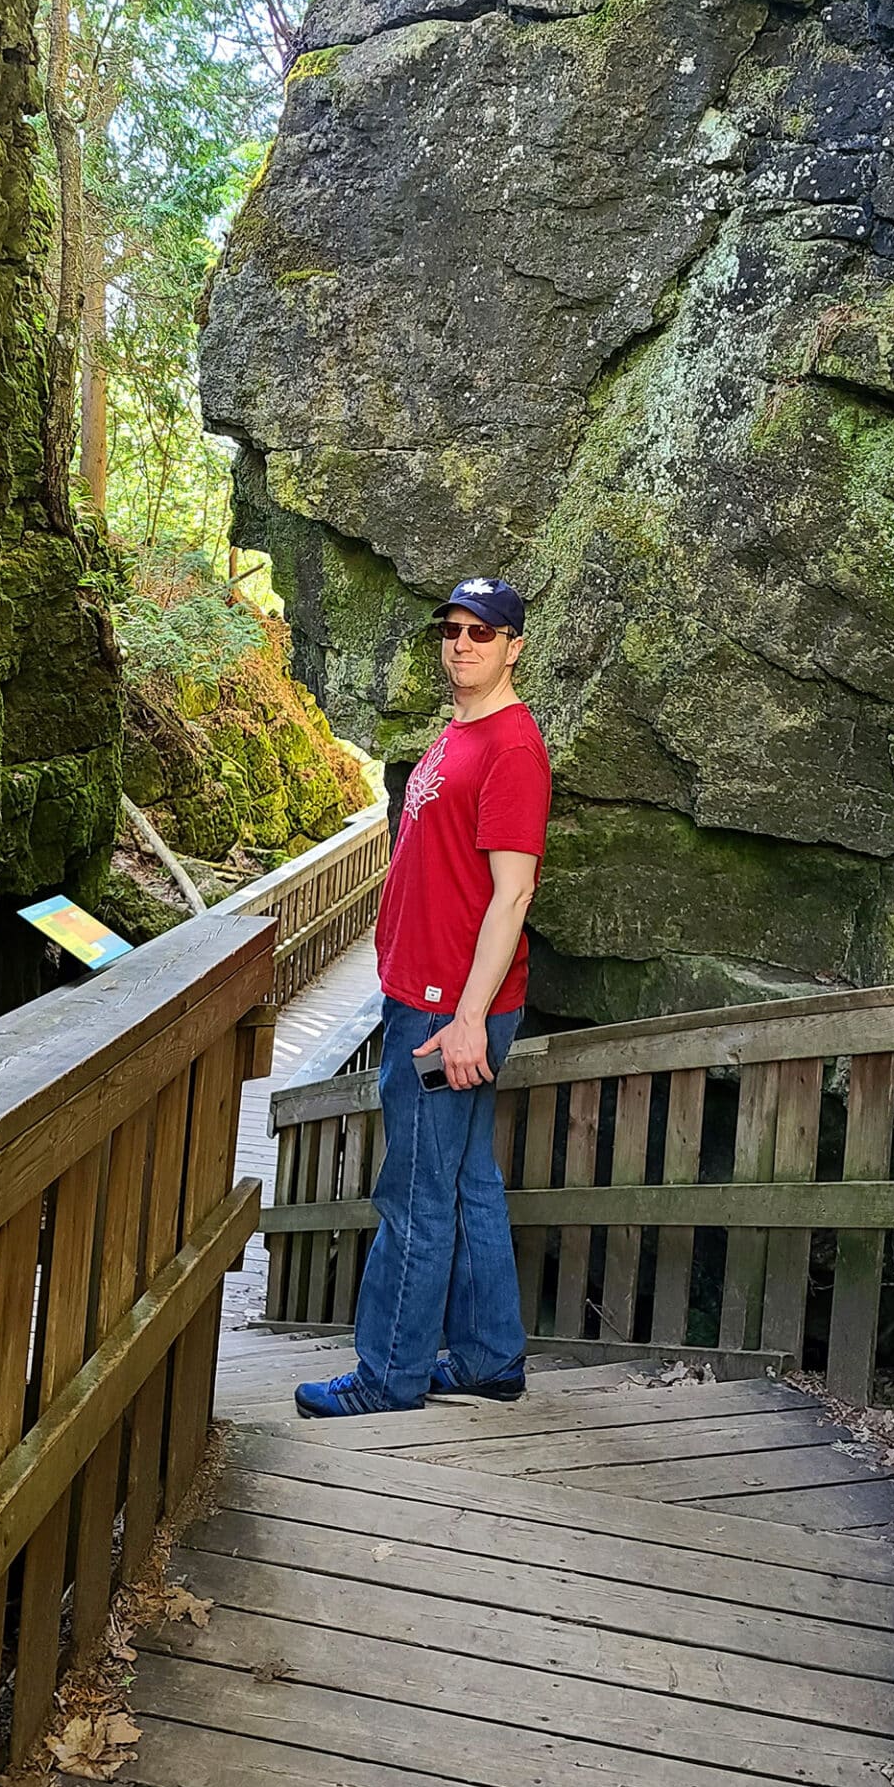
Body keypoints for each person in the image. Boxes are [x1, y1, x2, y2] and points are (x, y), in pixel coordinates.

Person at [296, 576, 551, 1417]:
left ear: (515, 644)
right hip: (427, 991)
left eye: (483, 632)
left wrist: (469, 1018)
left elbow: (513, 894)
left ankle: (388, 1376)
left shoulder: (512, 748)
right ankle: (487, 1358)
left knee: (412, 1188)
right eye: (453, 629)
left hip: (450, 1007)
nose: (463, 644)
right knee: (468, 1175)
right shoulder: (460, 731)